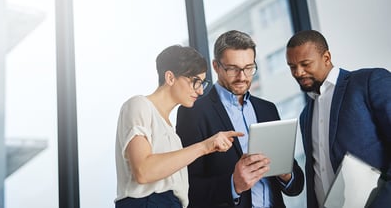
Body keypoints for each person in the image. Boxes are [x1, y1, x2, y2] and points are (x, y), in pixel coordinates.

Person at [177, 30, 304, 208]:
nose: (242, 77)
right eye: (233, 69)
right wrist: (233, 185)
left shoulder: (267, 109)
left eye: (249, 68)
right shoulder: (194, 112)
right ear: (216, 66)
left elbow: (296, 185)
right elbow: (187, 188)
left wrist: (286, 175)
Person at [115, 44, 243, 208]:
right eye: (195, 81)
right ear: (170, 78)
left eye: (202, 83)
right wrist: (205, 146)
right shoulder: (139, 105)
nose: (200, 91)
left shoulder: (171, 132)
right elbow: (143, 171)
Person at [285, 29, 391, 208]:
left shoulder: (368, 82)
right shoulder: (305, 115)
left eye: (305, 64)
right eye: (292, 67)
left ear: (326, 58)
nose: (298, 72)